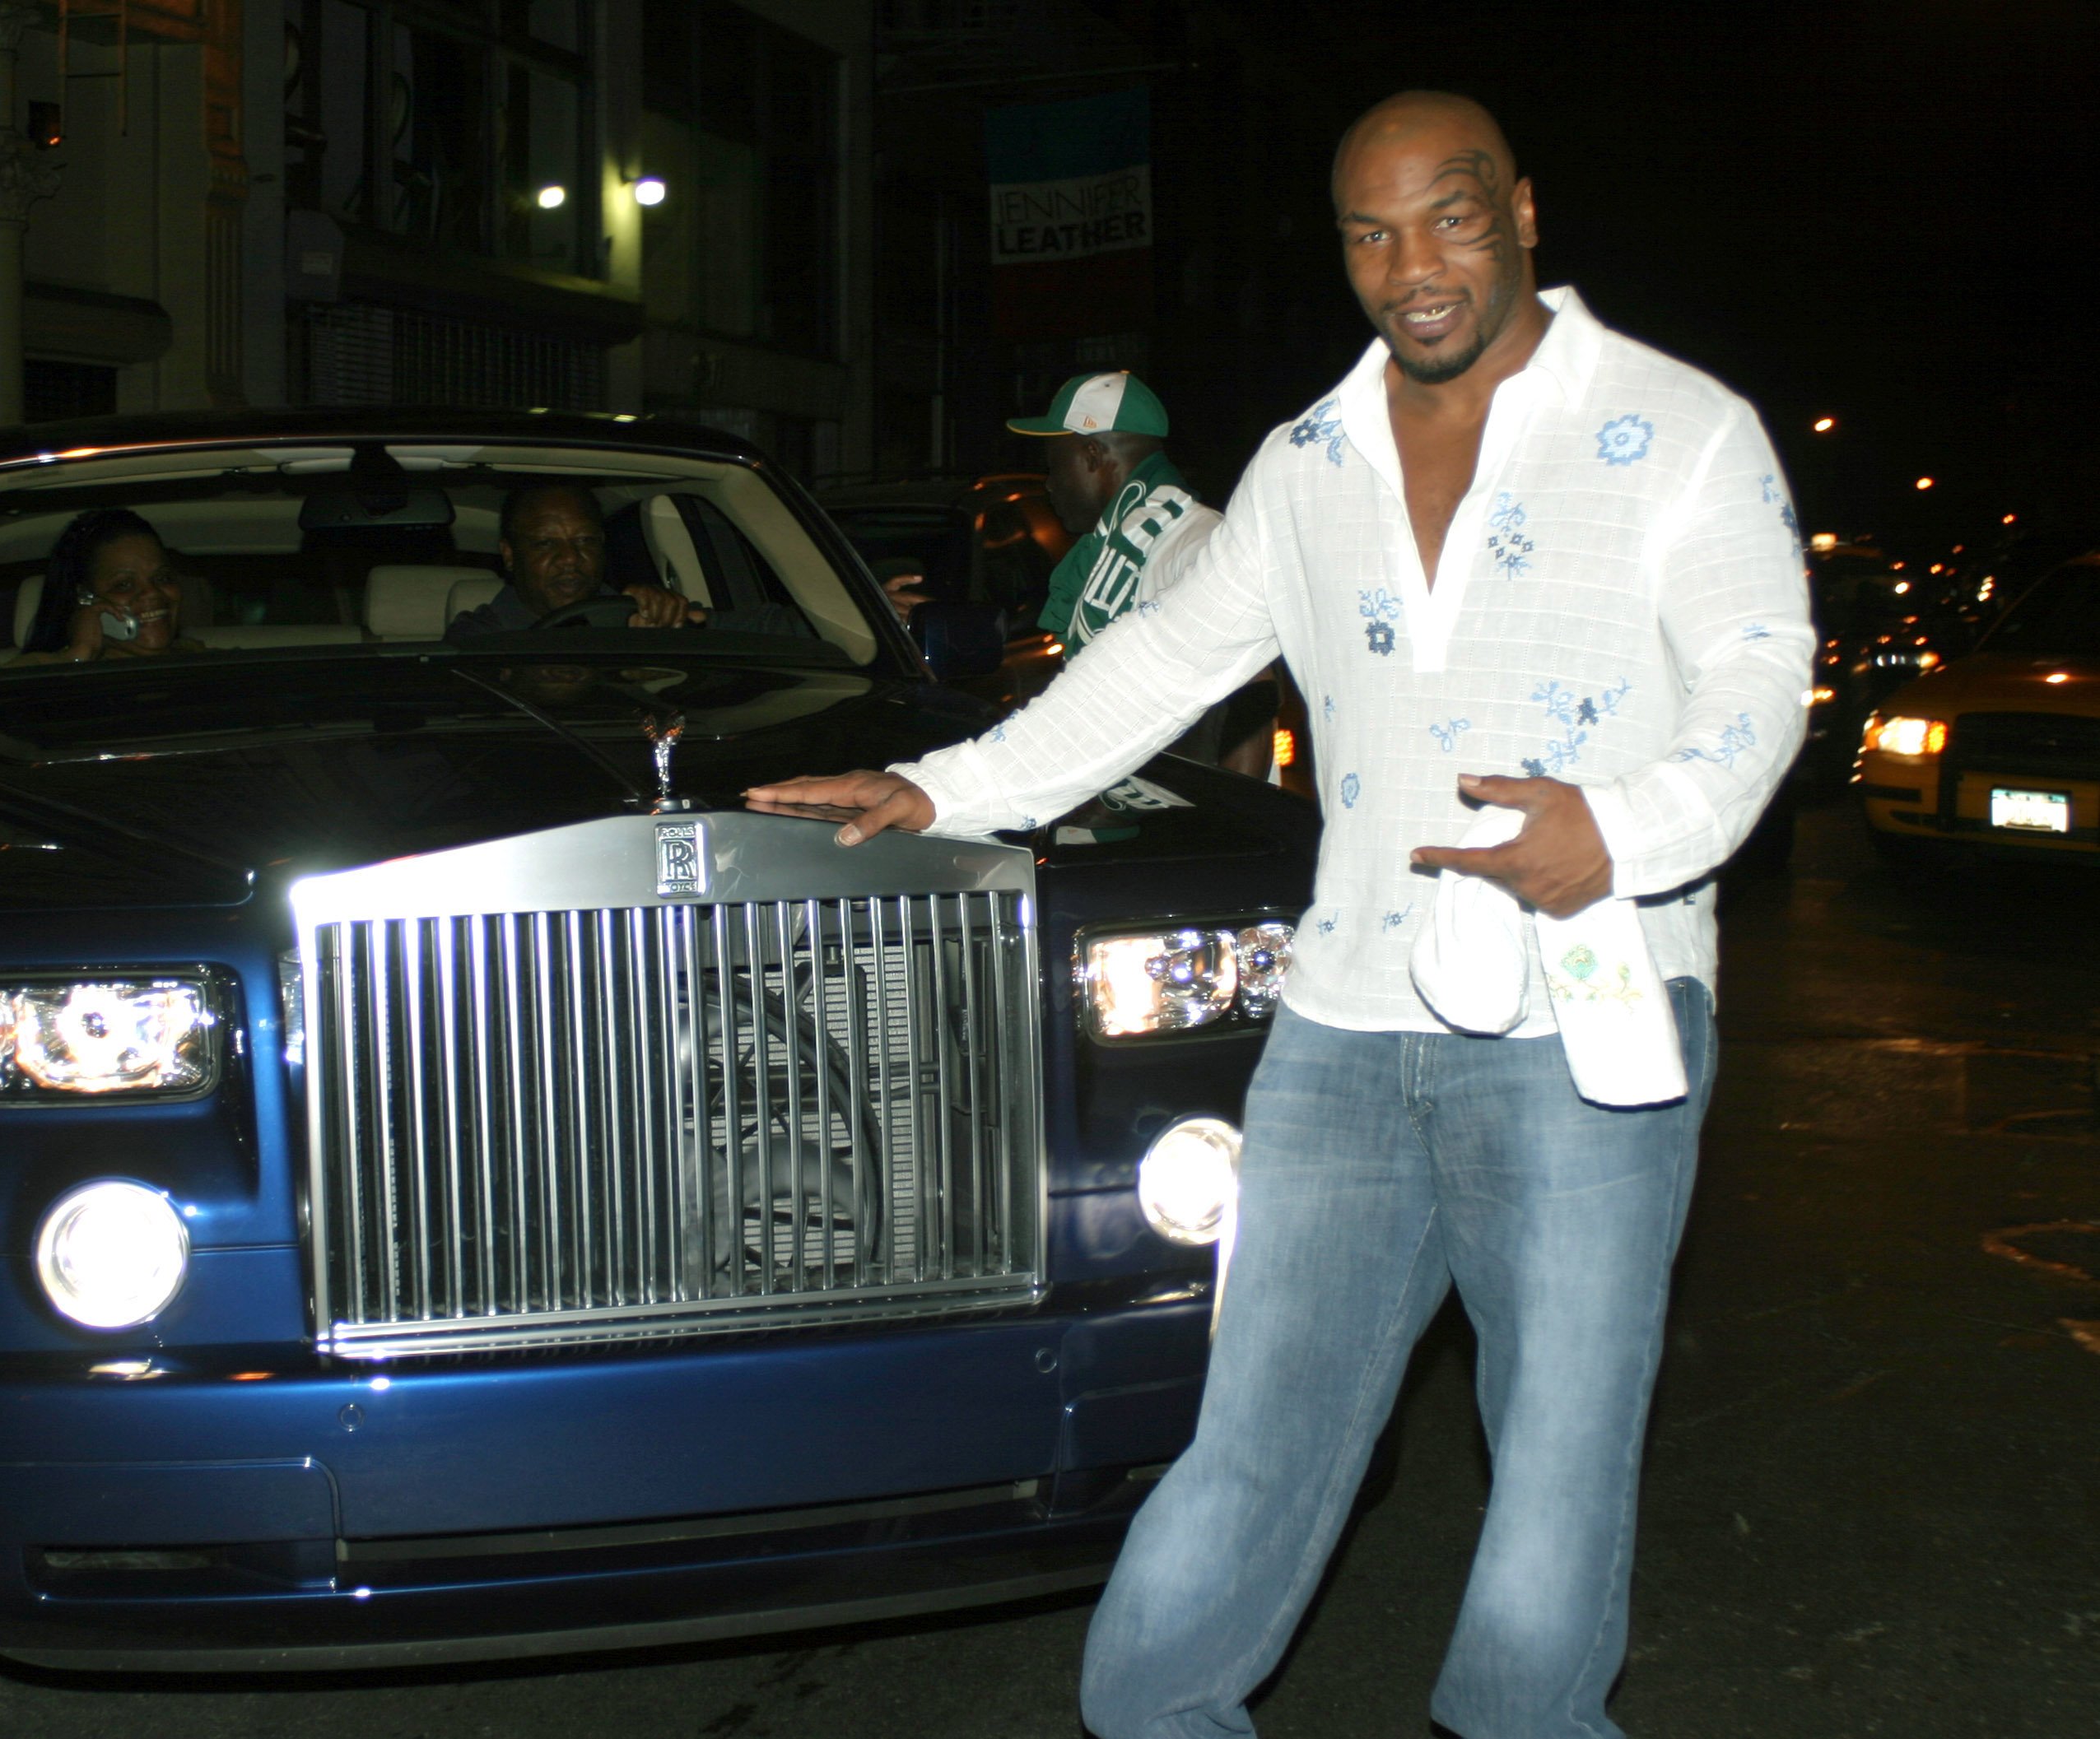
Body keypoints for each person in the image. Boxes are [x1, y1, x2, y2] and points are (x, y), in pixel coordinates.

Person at [747, 90, 1813, 1739]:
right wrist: (943, 787)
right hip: (1342, 1033)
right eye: (1371, 233)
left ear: (1523, 213)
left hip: (1589, 1023)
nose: (1414, 265)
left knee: (1556, 1468)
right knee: (1253, 1441)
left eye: (1449, 216)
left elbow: (1759, 678)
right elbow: (1164, 666)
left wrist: (1626, 827)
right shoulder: (1311, 461)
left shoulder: (1679, 428)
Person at [1014, 370, 1219, 658]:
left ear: (1093, 455)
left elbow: (1254, 687)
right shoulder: (1112, 541)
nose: (1049, 483)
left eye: (1054, 466)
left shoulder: (1200, 542)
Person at [445, 483, 703, 637]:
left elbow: (737, 631)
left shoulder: (636, 616)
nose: (569, 558)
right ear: (510, 555)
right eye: (545, 544)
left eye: (585, 541)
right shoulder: (480, 638)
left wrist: (666, 617)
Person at [17, 509, 203, 663]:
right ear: (86, 598)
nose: (152, 592)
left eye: (162, 578)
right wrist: (79, 655)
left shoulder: (207, 661)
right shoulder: (33, 670)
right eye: (124, 585)